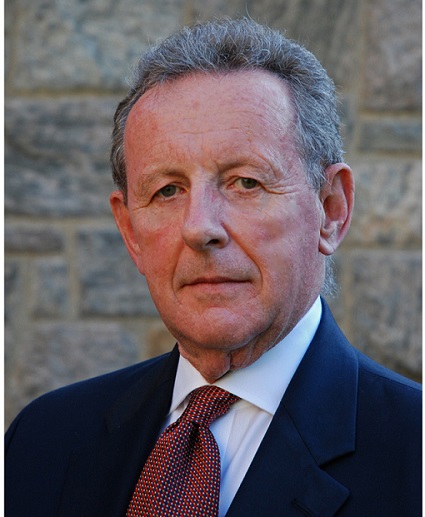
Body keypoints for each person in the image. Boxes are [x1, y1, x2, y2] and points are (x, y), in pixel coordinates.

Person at [5, 18, 421, 517]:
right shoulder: (42, 442)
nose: (199, 227)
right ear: (131, 232)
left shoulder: (411, 454)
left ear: (331, 209)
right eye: (167, 190)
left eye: (245, 182)